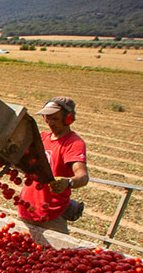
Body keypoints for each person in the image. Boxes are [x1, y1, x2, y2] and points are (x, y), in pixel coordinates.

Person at [17, 96, 89, 233]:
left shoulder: (73, 143)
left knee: (54, 253)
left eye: (55, 118)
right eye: (47, 118)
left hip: (52, 213)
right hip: (27, 207)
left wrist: (68, 182)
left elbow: (82, 176)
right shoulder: (42, 138)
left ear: (68, 119)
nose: (50, 122)